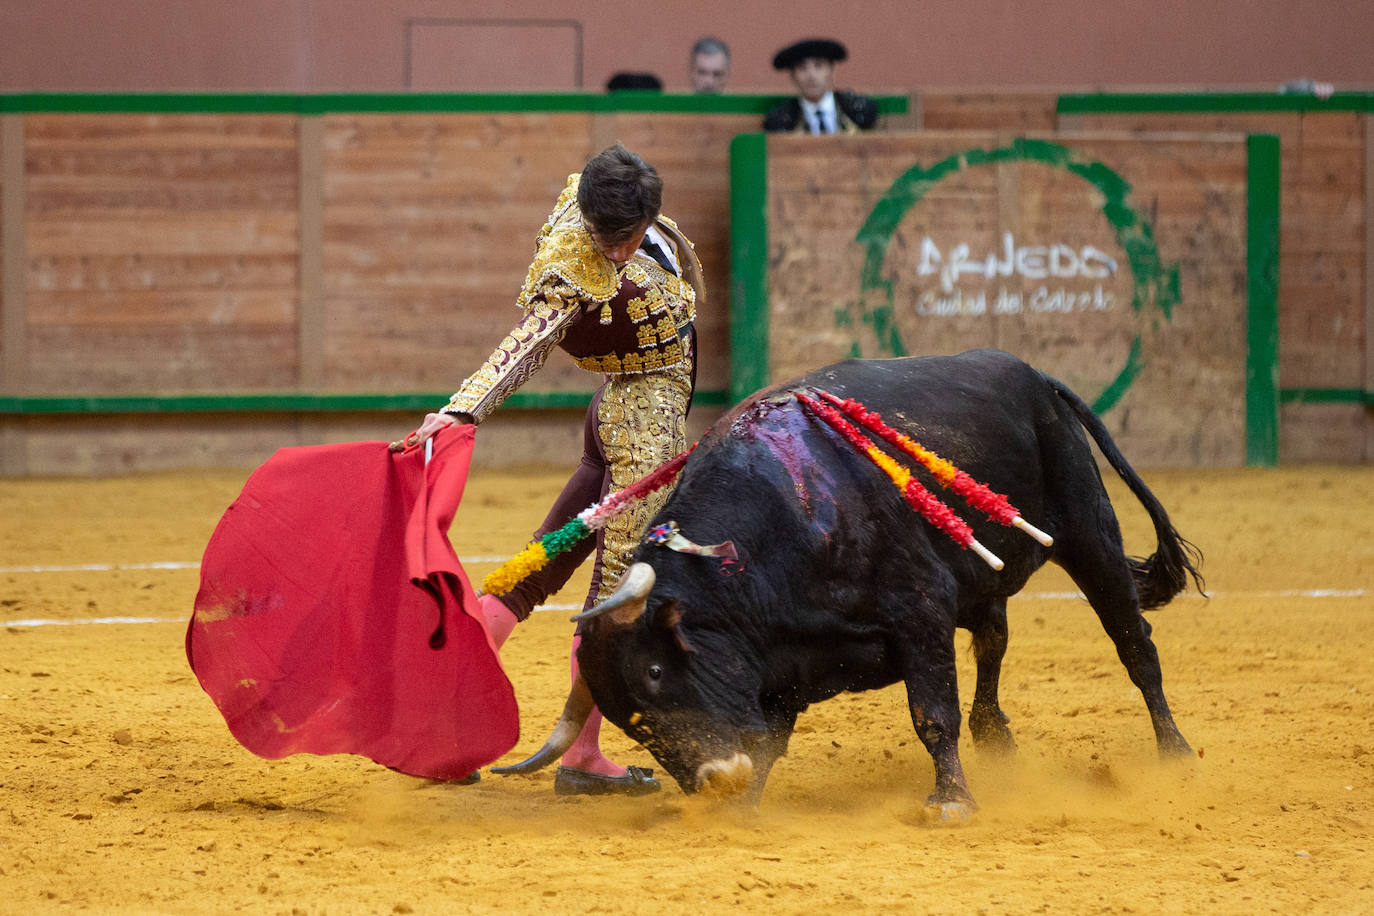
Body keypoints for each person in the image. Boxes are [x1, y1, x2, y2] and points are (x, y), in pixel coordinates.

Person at [390, 144, 704, 797]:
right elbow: (526, 344)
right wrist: (460, 412)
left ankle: (439, 725)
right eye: (602, 236)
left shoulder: (610, 203)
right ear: (586, 217)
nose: (613, 252)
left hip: (614, 416)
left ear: (648, 212)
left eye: (625, 237)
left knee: (541, 565)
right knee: (614, 597)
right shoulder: (575, 259)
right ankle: (581, 754)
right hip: (642, 424)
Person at [762, 37, 877, 135]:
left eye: (819, 66)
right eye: (802, 68)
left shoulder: (856, 110)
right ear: (793, 77)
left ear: (832, 72)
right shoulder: (782, 120)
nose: (811, 76)